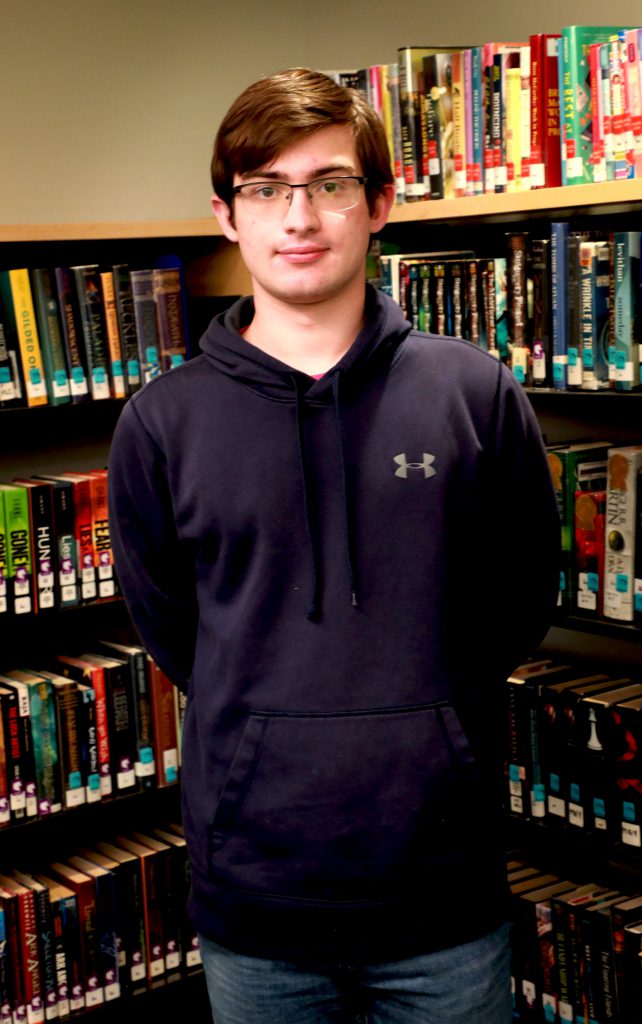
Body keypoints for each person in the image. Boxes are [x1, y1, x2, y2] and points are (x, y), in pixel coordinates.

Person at [108, 67, 560, 1024]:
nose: (298, 216)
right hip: (258, 904)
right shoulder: (162, 423)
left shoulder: (473, 392)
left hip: (443, 895)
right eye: (265, 190)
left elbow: (520, 602)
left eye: (329, 185)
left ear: (380, 205)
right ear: (228, 216)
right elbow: (175, 634)